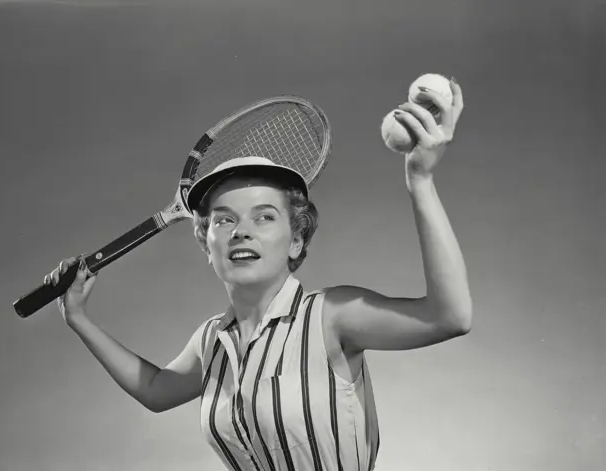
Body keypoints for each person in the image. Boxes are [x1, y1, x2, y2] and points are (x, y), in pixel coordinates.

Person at [45, 79, 471, 470]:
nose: (241, 231)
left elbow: (449, 318)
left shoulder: (331, 316)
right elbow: (156, 391)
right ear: (205, 243)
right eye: (224, 220)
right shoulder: (212, 340)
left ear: (296, 241)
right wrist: (79, 318)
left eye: (264, 217)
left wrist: (421, 179)